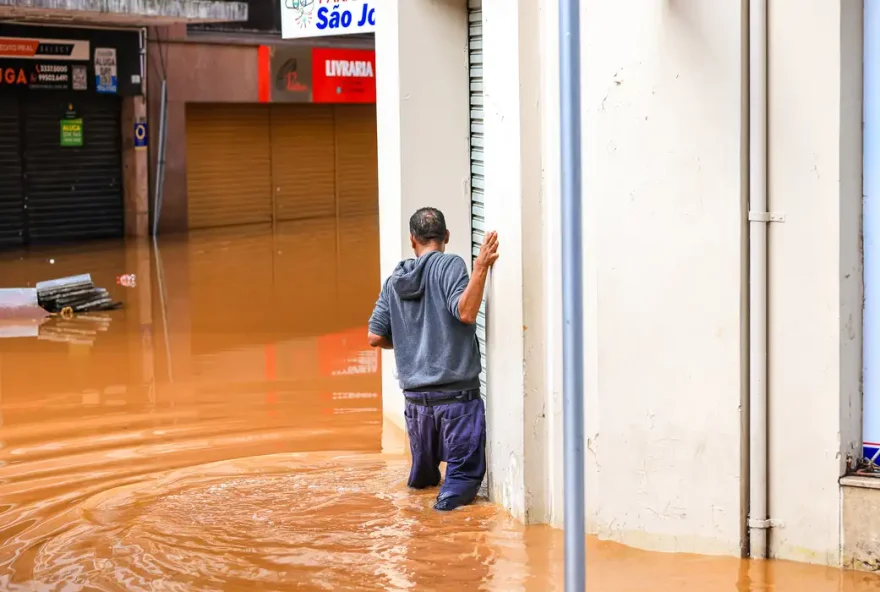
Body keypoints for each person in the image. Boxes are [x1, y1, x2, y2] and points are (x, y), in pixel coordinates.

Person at [367, 207, 499, 511]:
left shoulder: (394, 281)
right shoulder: (450, 265)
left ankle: (418, 539)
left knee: (422, 484)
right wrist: (480, 269)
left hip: (416, 405)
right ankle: (439, 540)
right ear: (447, 237)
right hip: (457, 401)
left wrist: (407, 344)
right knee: (459, 488)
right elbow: (465, 313)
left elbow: (374, 337)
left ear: (413, 240)